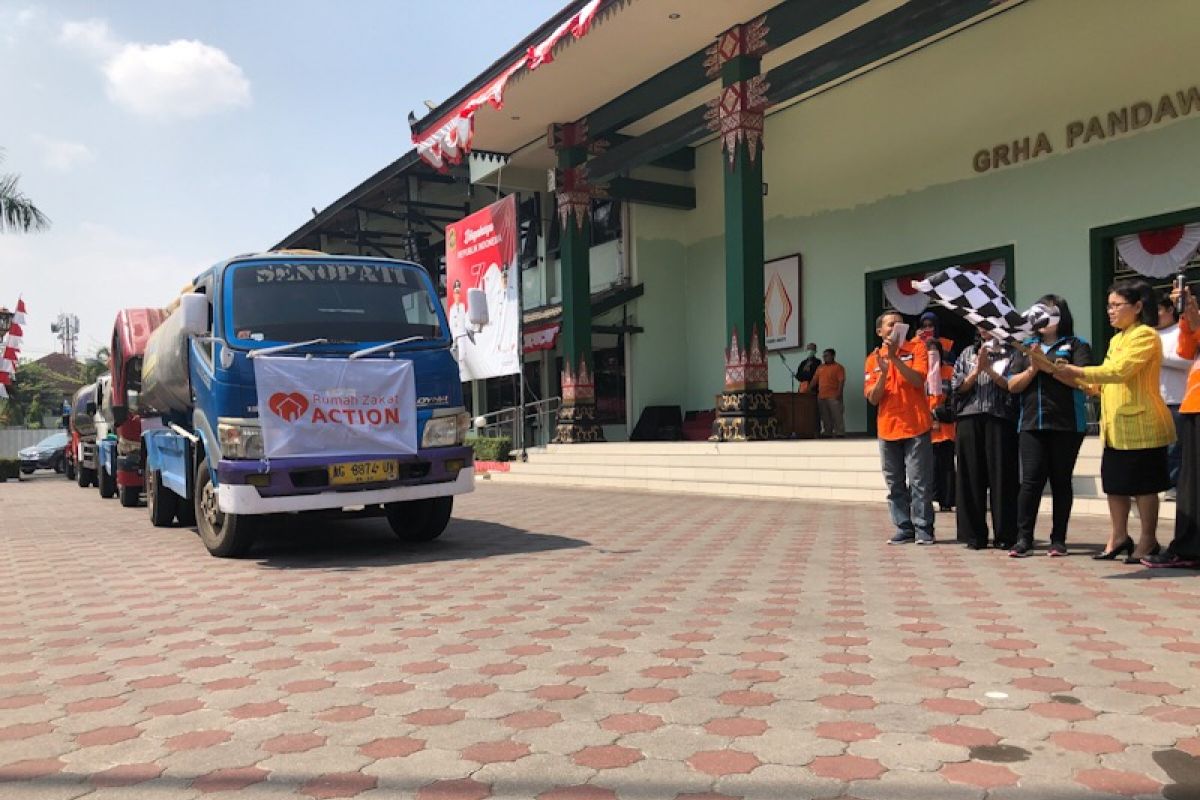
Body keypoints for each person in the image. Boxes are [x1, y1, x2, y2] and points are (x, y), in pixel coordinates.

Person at [1056, 280, 1175, 563]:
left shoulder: (1145, 335)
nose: (1110, 311)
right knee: (1115, 485)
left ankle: (1148, 539)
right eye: (1109, 306)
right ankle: (1119, 536)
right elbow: (1106, 383)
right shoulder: (1117, 339)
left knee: (1145, 486)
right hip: (1115, 426)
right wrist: (1077, 381)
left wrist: (1079, 370)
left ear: (1136, 307)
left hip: (1142, 424)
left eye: (1116, 305)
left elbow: (1120, 372)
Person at [1006, 295, 1091, 557]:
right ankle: (1023, 539)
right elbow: (1012, 385)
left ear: (1061, 315)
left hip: (1067, 423)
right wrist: (1033, 369)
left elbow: (1083, 381)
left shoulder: (1077, 345)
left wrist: (1049, 367)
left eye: (1050, 311)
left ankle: (1058, 540)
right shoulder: (1026, 347)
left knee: (1061, 481)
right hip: (1032, 423)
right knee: (1030, 481)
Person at [865, 311, 935, 545]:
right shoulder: (873, 359)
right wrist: (884, 373)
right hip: (887, 428)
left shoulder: (917, 349)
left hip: (916, 426)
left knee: (919, 482)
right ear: (880, 332)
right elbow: (873, 399)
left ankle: (924, 528)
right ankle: (904, 528)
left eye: (899, 324)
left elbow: (918, 380)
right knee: (895, 483)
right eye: (890, 324)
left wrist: (895, 358)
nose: (895, 327)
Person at [1144, 284, 1200, 568]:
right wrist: (1190, 320)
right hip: (1193, 403)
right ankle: (1187, 547)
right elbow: (1188, 351)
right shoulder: (1188, 321)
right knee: (1190, 485)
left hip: (1185, 403)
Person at [951, 329, 1019, 550]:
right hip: (969, 418)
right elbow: (957, 387)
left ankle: (1006, 535)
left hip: (999, 417)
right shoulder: (966, 353)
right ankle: (974, 535)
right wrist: (977, 370)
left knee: (1003, 478)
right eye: (980, 324)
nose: (984, 329)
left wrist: (988, 369)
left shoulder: (1012, 352)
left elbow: (1013, 385)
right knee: (970, 477)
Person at [917, 311, 956, 512]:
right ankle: (929, 499)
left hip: (947, 426)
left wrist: (941, 412)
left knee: (947, 467)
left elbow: (957, 396)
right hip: (926, 426)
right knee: (928, 466)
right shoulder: (921, 374)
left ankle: (947, 501)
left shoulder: (950, 371)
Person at [1156, 296, 1190, 499]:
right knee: (1153, 446)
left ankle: (1170, 484)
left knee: (1174, 446)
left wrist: (1159, 358)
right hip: (1152, 398)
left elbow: (1188, 360)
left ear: (1170, 310)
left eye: (1158, 310)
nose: (1155, 316)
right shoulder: (1147, 334)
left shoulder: (1181, 331)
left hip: (1177, 396)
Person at [810, 348, 846, 437]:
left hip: (834, 396)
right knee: (825, 417)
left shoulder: (839, 367)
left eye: (826, 355)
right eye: (823, 356)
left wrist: (839, 393)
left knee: (837, 415)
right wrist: (808, 389)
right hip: (821, 396)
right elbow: (814, 380)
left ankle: (840, 432)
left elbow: (841, 381)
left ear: (833, 356)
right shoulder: (820, 367)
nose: (824, 357)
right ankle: (827, 432)